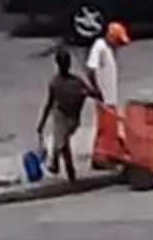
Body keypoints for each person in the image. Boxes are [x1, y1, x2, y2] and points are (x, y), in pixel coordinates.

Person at [83, 15, 128, 169]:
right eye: (118, 41)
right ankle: (101, 158)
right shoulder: (100, 46)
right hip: (104, 97)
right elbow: (91, 68)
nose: (119, 45)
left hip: (110, 97)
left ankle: (110, 154)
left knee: (110, 129)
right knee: (106, 129)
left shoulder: (108, 49)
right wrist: (96, 89)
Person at [36, 50, 87, 182]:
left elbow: (91, 94)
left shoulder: (75, 83)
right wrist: (41, 123)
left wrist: (87, 94)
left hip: (72, 118)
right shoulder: (62, 83)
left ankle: (56, 162)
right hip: (61, 115)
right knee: (63, 140)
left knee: (62, 140)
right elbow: (50, 103)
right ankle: (68, 171)